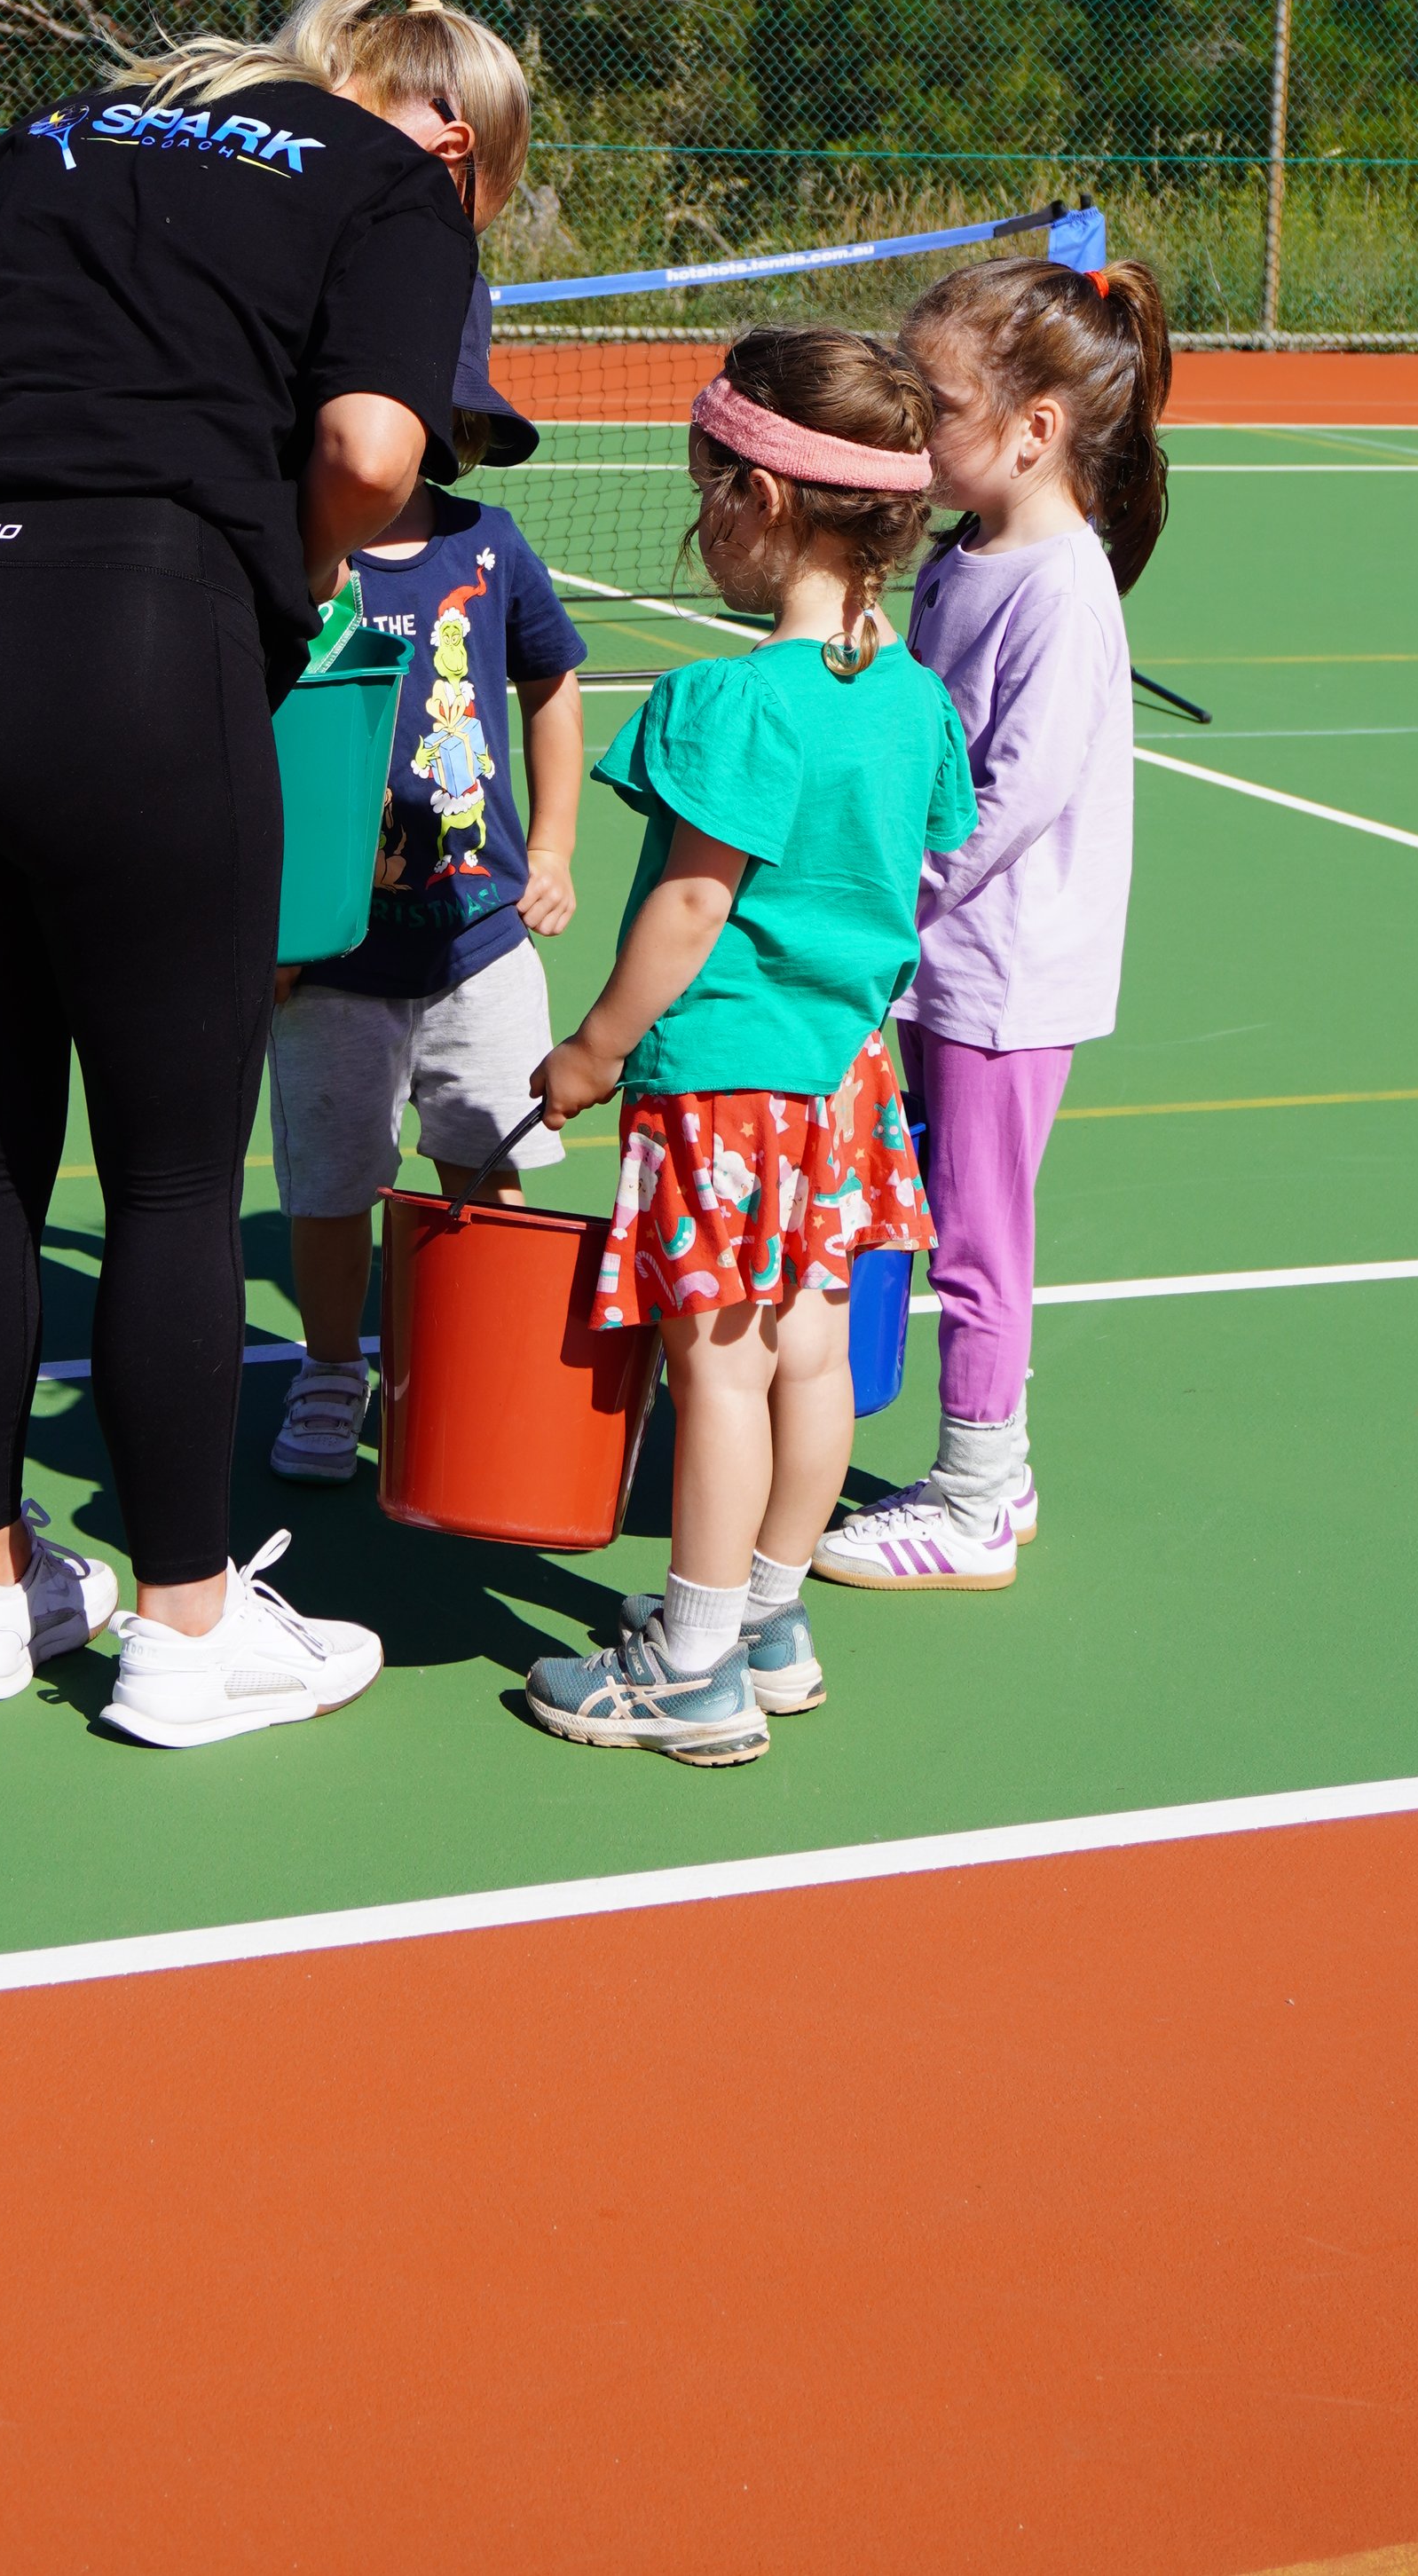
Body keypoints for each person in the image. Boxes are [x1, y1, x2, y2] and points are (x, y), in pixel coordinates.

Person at [0, 0, 529, 1748]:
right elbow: (376, 447)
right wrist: (276, 568)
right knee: (161, 1171)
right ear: (443, 137)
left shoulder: (52, 134)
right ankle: (186, 1630)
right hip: (134, 627)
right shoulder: (394, 186)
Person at [520, 327, 977, 1765]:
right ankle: (774, 1618)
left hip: (724, 1080)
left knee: (712, 1368)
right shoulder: (914, 701)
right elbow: (919, 858)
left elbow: (695, 898)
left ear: (759, 503)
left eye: (705, 486)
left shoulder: (725, 700)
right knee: (812, 1358)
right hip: (848, 1081)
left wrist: (593, 1048)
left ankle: (694, 1659)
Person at [812, 248, 1171, 1594]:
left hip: (1003, 973)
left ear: (1034, 433)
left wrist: (893, 895)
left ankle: (971, 1499)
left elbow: (1009, 793)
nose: (915, 425)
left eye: (938, 404)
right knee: (944, 1213)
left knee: (976, 1236)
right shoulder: (968, 556)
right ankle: (992, 1470)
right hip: (944, 955)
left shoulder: (1065, 587)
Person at [265, 280, 587, 1484]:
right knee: (332, 1180)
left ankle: (462, 1352)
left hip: (478, 943)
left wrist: (550, 848)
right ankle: (333, 1367)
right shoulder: (290, 549)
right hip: (328, 964)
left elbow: (552, 686)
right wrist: (277, 919)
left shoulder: (489, 546)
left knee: (484, 1156)